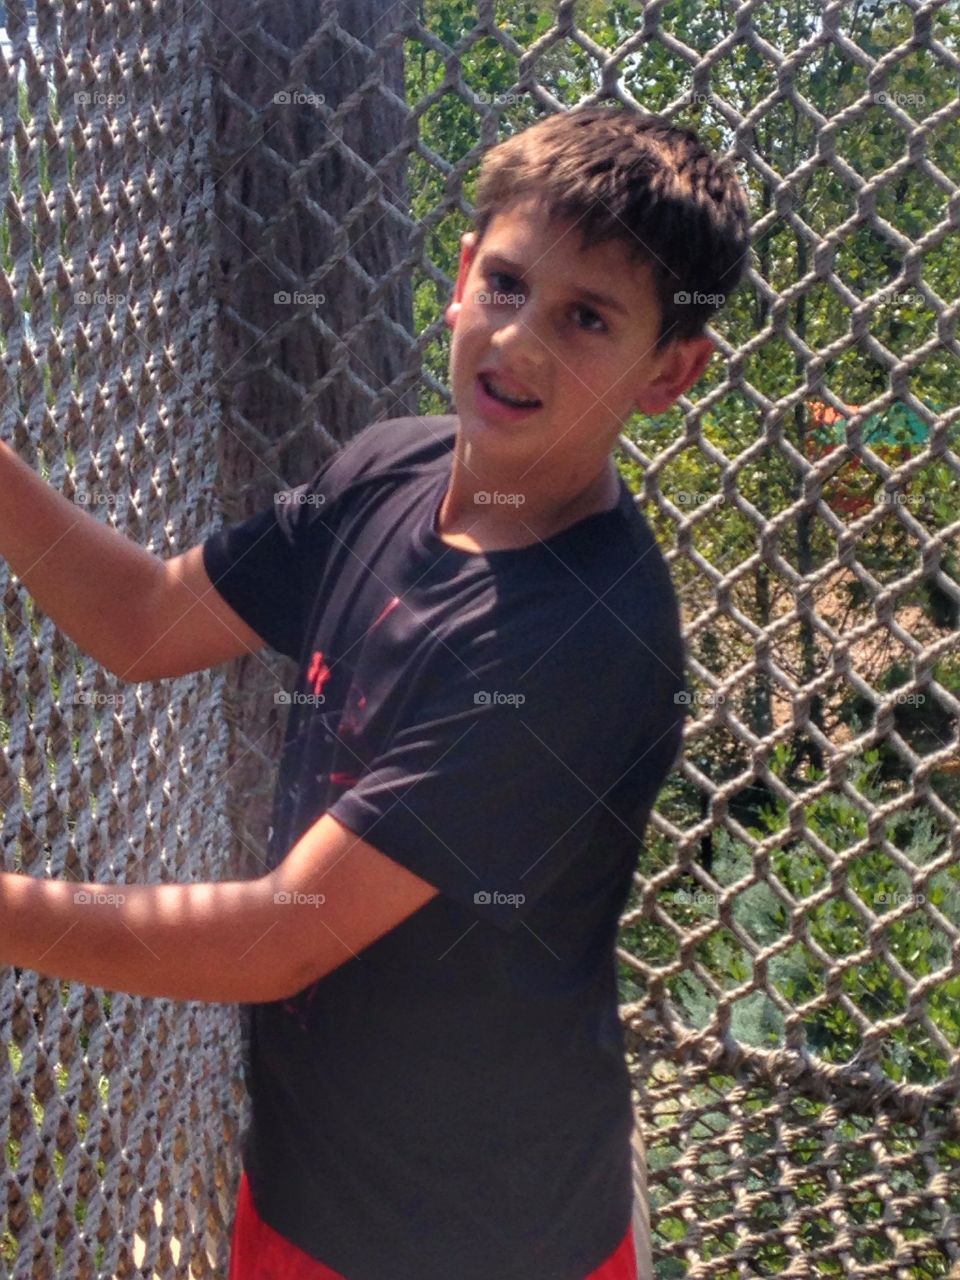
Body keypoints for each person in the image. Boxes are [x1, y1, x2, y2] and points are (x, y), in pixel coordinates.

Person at [0, 104, 750, 1278]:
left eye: (587, 318)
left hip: (487, 1228)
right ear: (459, 277)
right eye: (506, 282)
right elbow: (144, 622)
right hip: (309, 1180)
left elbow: (281, 938)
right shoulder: (389, 468)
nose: (522, 342)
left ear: (672, 370)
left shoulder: (581, 639)